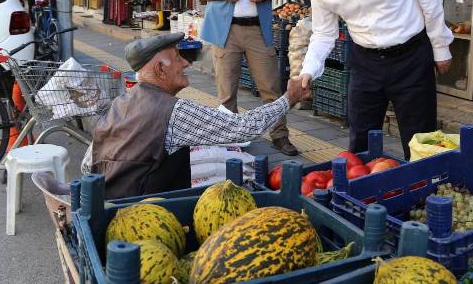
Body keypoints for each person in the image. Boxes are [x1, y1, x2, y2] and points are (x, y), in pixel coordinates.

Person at [294, 0, 453, 159]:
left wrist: (440, 47)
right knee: (361, 140)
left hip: (411, 58)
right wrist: (308, 71)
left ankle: (423, 195)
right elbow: (324, 33)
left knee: (420, 140)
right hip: (365, 63)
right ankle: (362, 194)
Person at [91, 33, 310, 199]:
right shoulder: (171, 111)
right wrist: (288, 99)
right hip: (143, 211)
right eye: (177, 57)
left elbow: (92, 162)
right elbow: (244, 127)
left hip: (113, 202)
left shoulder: (121, 102)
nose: (185, 63)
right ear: (160, 70)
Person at [198, 0, 298, 156]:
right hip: (225, 31)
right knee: (226, 91)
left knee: (271, 89)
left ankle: (280, 136)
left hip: (258, 30)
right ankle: (230, 139)